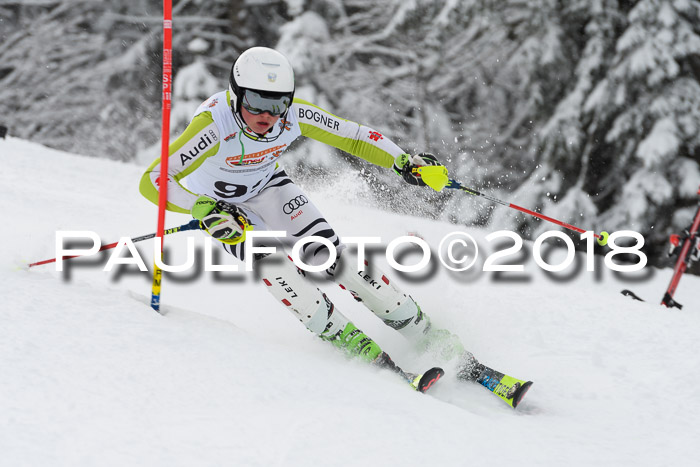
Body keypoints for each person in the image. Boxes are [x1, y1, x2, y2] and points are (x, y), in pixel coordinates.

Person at [140, 47, 530, 402]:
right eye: (256, 101)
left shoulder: (292, 115)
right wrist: (201, 209)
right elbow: (154, 181)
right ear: (236, 93)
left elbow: (355, 137)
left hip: (271, 190)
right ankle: (351, 343)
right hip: (225, 211)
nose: (266, 115)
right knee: (274, 264)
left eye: (277, 105)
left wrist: (404, 162)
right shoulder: (214, 123)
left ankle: (429, 336)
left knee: (334, 258)